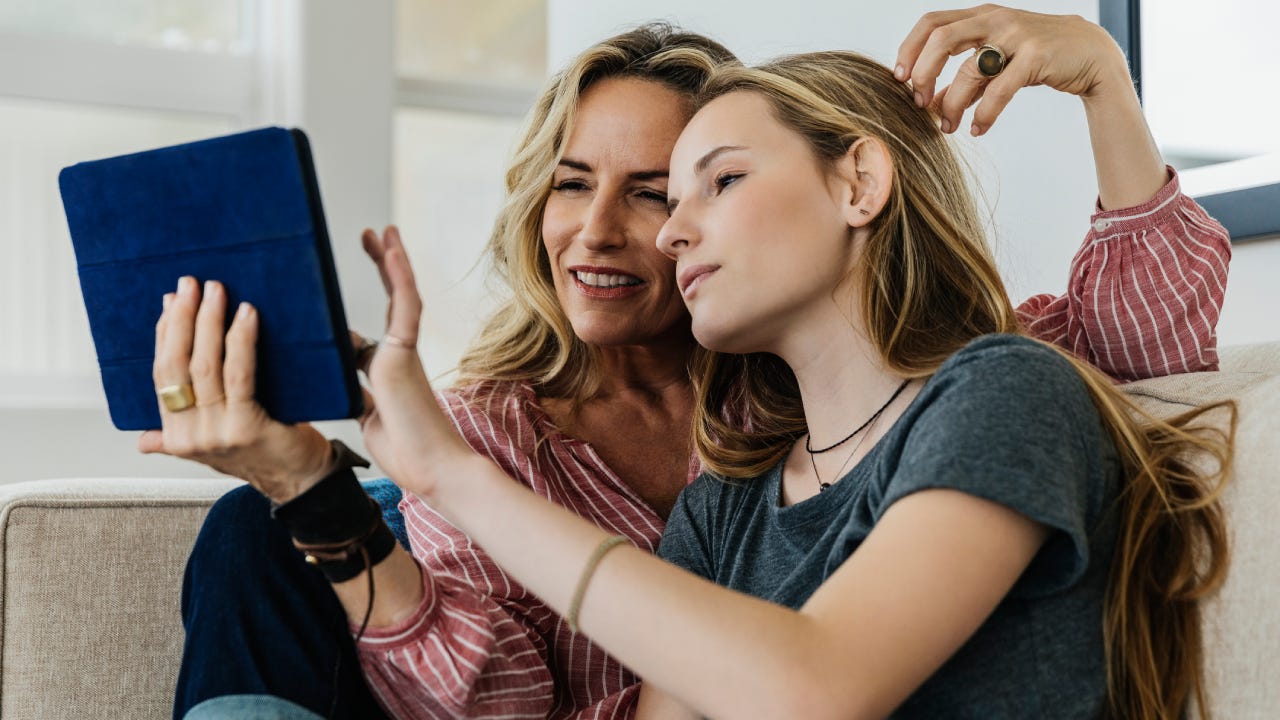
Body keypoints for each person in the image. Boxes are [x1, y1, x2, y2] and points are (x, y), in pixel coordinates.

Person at [158, 8, 1230, 719]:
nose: (656, 233)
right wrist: (355, 483)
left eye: (700, 184)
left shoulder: (999, 389)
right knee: (258, 529)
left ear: (858, 185)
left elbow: (814, 684)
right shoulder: (727, 508)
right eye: (577, 186)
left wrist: (1102, 86)